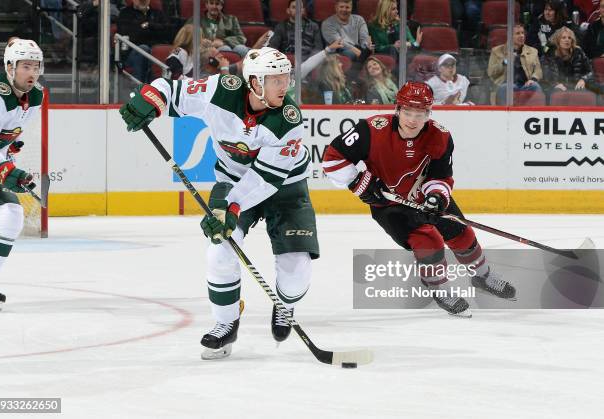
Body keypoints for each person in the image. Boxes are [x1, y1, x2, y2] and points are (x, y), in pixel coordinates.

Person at [118, 47, 318, 359]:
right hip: (232, 181)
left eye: (286, 78)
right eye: (276, 79)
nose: (285, 86)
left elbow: (266, 180)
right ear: (254, 82)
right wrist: (151, 100)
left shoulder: (288, 120)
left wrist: (232, 207)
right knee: (219, 249)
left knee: (296, 272)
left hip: (286, 188)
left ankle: (285, 305)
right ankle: (226, 324)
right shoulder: (219, 90)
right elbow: (172, 90)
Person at [322, 81, 516, 317]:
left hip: (425, 198)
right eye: (407, 112)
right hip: (389, 204)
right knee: (429, 240)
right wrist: (360, 183)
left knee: (461, 233)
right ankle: (439, 288)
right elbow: (332, 159)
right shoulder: (371, 129)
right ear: (397, 109)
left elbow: (441, 175)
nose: (412, 119)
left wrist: (436, 197)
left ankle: (483, 276)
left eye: (420, 113)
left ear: (429, 113)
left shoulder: (440, 136)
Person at [0, 39, 42, 313]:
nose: (31, 72)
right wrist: (6, 170)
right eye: (25, 66)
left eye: (36, 66)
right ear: (10, 67)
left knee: (10, 213)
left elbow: (4, 137)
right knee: (8, 213)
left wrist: (9, 150)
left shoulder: (35, 97)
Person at [117, 0, 174, 82]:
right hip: (132, 52)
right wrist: (154, 30)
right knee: (143, 48)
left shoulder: (157, 13)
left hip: (154, 50)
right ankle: (139, 88)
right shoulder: (125, 14)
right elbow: (132, 36)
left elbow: (169, 32)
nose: (142, 1)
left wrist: (149, 25)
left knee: (163, 51)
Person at [488, 24, 543, 105]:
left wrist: (533, 79)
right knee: (506, 88)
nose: (521, 36)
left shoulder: (533, 51)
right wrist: (506, 61)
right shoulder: (497, 51)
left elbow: (538, 70)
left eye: (522, 33)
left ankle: (535, 113)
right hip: (506, 84)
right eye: (518, 33)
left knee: (535, 86)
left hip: (526, 85)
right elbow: (491, 72)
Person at [544, 26, 594, 92]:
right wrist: (555, 84)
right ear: (558, 40)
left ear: (572, 41)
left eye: (569, 38)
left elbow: (590, 72)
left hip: (576, 86)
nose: (567, 40)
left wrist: (583, 80)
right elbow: (546, 74)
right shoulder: (550, 54)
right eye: (563, 37)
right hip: (558, 87)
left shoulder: (578, 51)